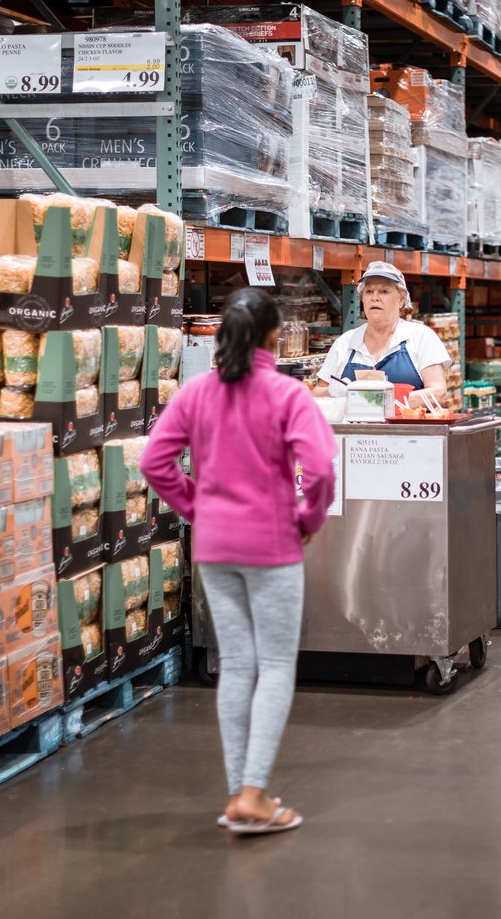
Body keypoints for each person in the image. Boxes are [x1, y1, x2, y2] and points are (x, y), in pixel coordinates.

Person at [140, 288, 337, 836]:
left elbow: (154, 460)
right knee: (274, 664)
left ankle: (237, 794)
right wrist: (307, 520)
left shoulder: (196, 392)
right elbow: (319, 469)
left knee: (238, 662)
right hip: (272, 542)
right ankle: (254, 793)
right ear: (274, 336)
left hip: (215, 545)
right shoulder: (288, 395)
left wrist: (195, 505)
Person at [315, 261, 451, 408]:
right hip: (355, 430)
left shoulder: (421, 337)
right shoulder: (346, 342)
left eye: (384, 291)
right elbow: (317, 393)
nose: (375, 297)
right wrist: (333, 391)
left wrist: (378, 401)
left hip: (407, 431)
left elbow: (438, 393)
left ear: (401, 300)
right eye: (369, 291)